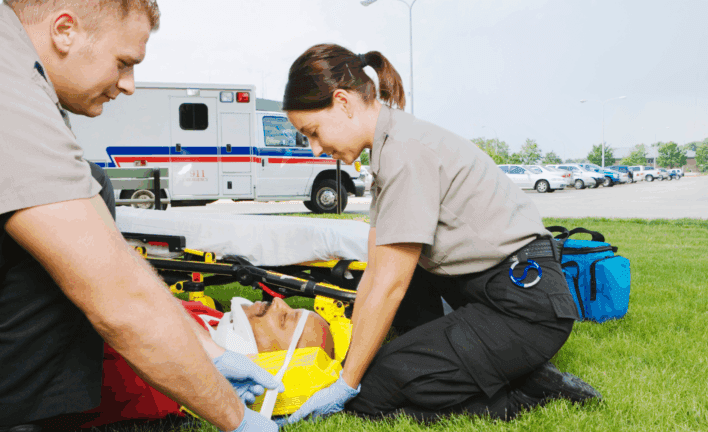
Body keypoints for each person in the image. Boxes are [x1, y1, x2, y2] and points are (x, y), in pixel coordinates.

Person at [279, 44, 602, 424]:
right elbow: (375, 275)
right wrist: (350, 365)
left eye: (313, 132)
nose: (316, 148)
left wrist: (347, 385)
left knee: (371, 396)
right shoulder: (390, 147)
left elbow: (389, 286)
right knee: (372, 366)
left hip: (525, 309)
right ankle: (491, 365)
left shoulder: (405, 152)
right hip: (491, 292)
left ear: (343, 102)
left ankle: (528, 390)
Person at [0, 2, 280, 431]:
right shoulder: (9, 87)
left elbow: (104, 250)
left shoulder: (27, 79)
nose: (129, 85)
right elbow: (116, 297)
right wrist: (237, 419)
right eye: (124, 63)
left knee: (93, 184)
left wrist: (210, 351)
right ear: (65, 31)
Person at [78, 298, 335, 429]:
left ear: (274, 363)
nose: (278, 302)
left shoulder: (158, 386)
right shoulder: (214, 318)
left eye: (285, 320)